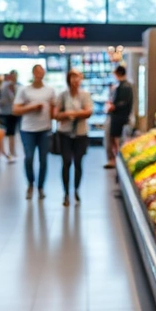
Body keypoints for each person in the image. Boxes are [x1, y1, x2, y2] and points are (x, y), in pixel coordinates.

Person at [14, 64, 56, 200]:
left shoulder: (50, 90)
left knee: (43, 160)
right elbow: (15, 110)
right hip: (28, 130)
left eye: (42, 72)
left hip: (45, 129)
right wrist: (31, 108)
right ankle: (30, 183)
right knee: (29, 157)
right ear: (33, 73)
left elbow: (54, 109)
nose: (39, 75)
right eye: (37, 72)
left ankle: (41, 187)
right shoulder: (24, 90)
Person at [54, 69, 93, 207]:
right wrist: (70, 114)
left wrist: (72, 114)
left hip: (80, 134)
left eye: (78, 78)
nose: (76, 81)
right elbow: (56, 115)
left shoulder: (85, 95)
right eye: (73, 78)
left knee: (78, 162)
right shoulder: (62, 95)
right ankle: (66, 192)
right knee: (66, 162)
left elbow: (89, 112)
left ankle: (76, 189)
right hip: (65, 133)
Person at [103, 64, 133, 169]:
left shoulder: (124, 86)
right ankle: (115, 159)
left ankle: (116, 160)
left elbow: (123, 103)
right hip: (119, 118)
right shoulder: (123, 85)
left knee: (116, 139)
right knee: (115, 139)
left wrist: (113, 106)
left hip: (119, 119)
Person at [0, 70, 18, 161]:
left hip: (13, 113)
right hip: (5, 113)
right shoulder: (5, 86)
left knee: (11, 133)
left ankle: (11, 152)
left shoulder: (16, 86)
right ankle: (4, 152)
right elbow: (4, 100)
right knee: (5, 133)